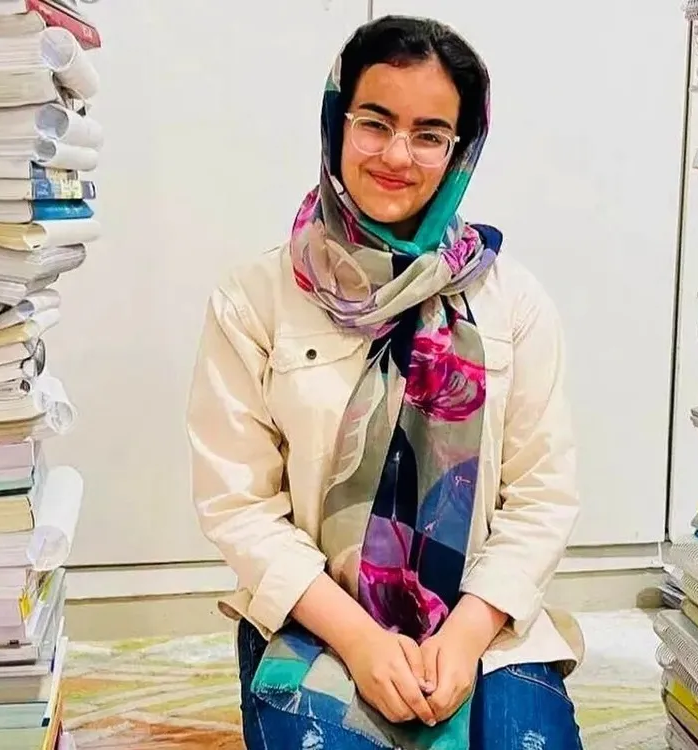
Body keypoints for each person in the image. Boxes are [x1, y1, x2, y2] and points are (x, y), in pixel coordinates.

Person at [187, 14, 584, 749]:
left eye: (430, 134)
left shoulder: (514, 301)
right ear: (337, 121)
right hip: (318, 622)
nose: (397, 155)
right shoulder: (254, 299)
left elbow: (541, 496)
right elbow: (239, 507)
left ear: (461, 149)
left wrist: (464, 634)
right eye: (375, 123)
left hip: (482, 630)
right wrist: (362, 641)